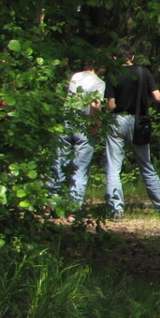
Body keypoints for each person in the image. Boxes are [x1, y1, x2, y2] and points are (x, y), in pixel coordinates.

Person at [104, 45, 160, 219]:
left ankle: (116, 209)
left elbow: (111, 105)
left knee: (113, 168)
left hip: (117, 120)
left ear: (114, 58)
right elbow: (158, 97)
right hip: (139, 121)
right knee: (146, 165)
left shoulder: (112, 74)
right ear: (132, 56)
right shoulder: (143, 72)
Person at [48, 61, 106, 209]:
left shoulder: (75, 76)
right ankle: (73, 207)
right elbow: (95, 105)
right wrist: (97, 124)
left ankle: (53, 203)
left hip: (67, 122)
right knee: (80, 169)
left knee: (60, 162)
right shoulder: (99, 83)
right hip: (84, 126)